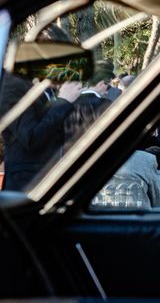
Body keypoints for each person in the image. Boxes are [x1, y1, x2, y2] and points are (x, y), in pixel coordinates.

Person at [0, 25, 83, 191]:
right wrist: (63, 101)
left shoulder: (44, 86)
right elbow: (30, 138)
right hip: (26, 183)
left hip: (47, 179)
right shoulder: (14, 84)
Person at [63, 69, 114, 150]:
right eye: (108, 86)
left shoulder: (69, 101)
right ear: (101, 84)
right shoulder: (104, 103)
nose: (108, 90)